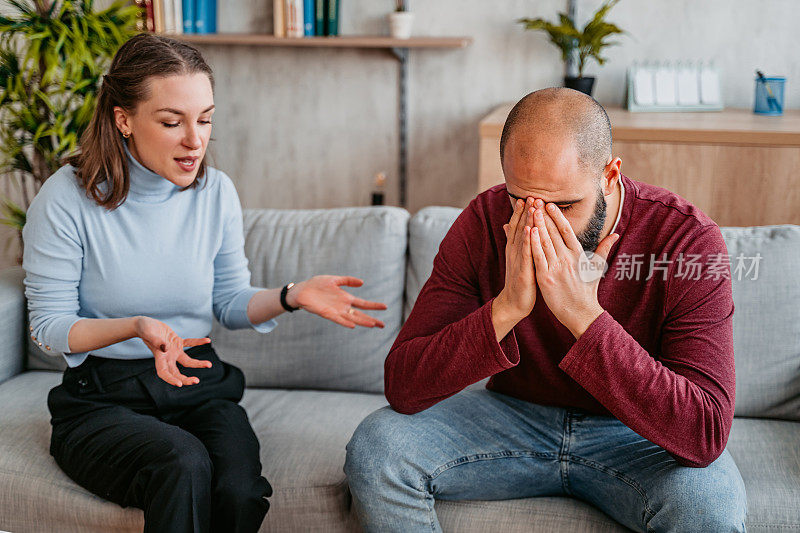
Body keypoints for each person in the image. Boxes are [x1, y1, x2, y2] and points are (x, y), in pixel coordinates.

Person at [22, 33, 387, 533]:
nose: (195, 140)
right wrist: (134, 326)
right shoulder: (65, 199)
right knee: (183, 463)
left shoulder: (215, 193)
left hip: (198, 384)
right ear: (123, 119)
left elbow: (231, 302)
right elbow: (48, 327)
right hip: (101, 400)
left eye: (206, 119)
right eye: (172, 122)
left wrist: (290, 295)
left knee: (240, 490)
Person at [344, 87, 748, 532]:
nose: (540, 224)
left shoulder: (685, 239)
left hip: (633, 435)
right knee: (376, 448)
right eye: (522, 200)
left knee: (708, 503)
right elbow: (403, 385)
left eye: (565, 206)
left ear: (610, 176)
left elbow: (705, 431)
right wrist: (506, 308)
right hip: (515, 418)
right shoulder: (483, 221)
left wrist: (583, 316)